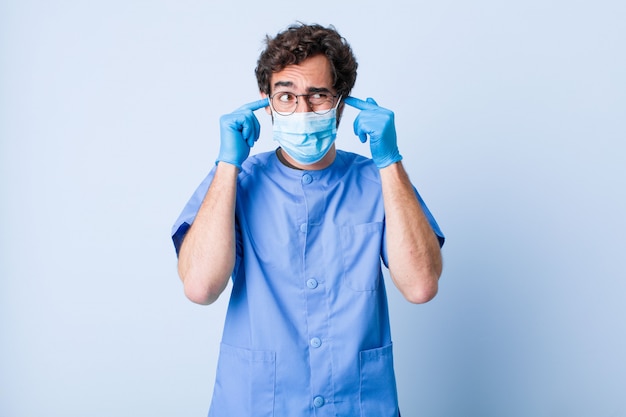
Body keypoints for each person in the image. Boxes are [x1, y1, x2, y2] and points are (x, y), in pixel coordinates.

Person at [171, 22, 444, 417]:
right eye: (286, 96)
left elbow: (421, 286)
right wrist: (227, 163)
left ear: (341, 103)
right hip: (258, 403)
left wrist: (390, 159)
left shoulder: (379, 181)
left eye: (318, 96)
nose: (301, 110)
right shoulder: (236, 183)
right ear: (266, 103)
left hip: (358, 403)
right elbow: (200, 287)